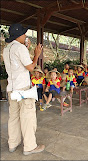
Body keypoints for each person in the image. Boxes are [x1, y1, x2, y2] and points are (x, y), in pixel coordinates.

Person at [3, 24, 44, 155]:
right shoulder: (20, 48)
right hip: (23, 90)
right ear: (19, 36)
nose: (25, 36)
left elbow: (17, 62)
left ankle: (13, 143)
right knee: (27, 117)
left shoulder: (6, 48)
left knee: (13, 117)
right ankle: (30, 147)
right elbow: (31, 67)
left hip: (12, 89)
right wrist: (36, 54)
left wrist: (26, 48)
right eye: (24, 34)